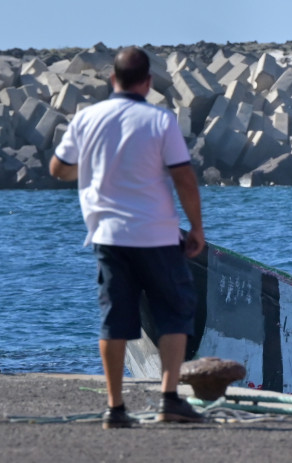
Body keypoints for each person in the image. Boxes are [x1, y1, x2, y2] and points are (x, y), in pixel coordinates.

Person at [49, 47, 205, 429]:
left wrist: (88, 169)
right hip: (157, 235)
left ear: (111, 79)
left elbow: (58, 168)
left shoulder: (88, 118)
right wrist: (197, 227)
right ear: (148, 83)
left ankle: (115, 407)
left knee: (114, 319)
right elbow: (183, 177)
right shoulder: (160, 120)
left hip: (108, 236)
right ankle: (169, 399)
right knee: (174, 311)